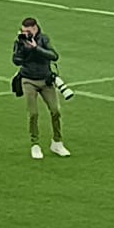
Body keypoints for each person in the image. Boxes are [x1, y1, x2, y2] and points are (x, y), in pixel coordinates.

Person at [13, 17, 69, 160]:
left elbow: (54, 56)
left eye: (28, 31)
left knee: (55, 111)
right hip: (28, 80)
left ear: (35, 28)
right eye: (23, 31)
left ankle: (57, 142)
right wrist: (22, 48)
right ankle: (35, 144)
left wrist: (36, 48)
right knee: (33, 113)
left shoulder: (44, 39)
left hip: (45, 79)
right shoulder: (20, 41)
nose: (25, 34)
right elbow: (16, 61)